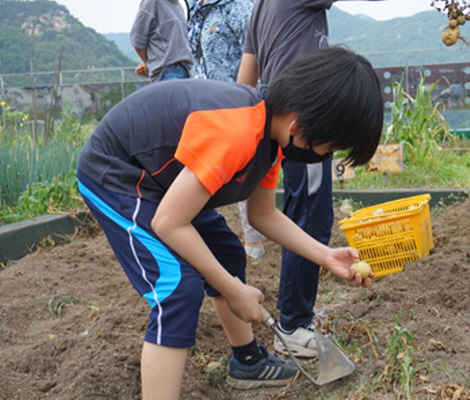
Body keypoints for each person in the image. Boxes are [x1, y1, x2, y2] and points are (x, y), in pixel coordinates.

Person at [76, 46, 383, 398]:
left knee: (226, 254)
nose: (325, 157)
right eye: (329, 148)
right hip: (119, 175)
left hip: (164, 183)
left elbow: (262, 214)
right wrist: (234, 291)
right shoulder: (238, 129)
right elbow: (169, 223)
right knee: (177, 289)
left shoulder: (272, 135)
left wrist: (324, 255)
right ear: (301, 128)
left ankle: (248, 361)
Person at [238, 0, 379, 359]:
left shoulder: (260, 6)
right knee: (311, 217)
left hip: (275, 116)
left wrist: (246, 122)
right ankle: (295, 325)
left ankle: (293, 321)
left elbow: (246, 73)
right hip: (307, 122)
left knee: (298, 212)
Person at [186, 0, 264, 259]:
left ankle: (253, 242)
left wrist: (246, 99)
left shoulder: (239, 6)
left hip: (238, 104)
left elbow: (256, 51)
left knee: (243, 170)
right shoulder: (200, 10)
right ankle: (202, 238)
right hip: (208, 104)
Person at [130, 0, 193, 82]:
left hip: (185, 71)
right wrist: (148, 63)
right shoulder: (153, 2)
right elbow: (137, 37)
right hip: (167, 72)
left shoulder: (179, 7)